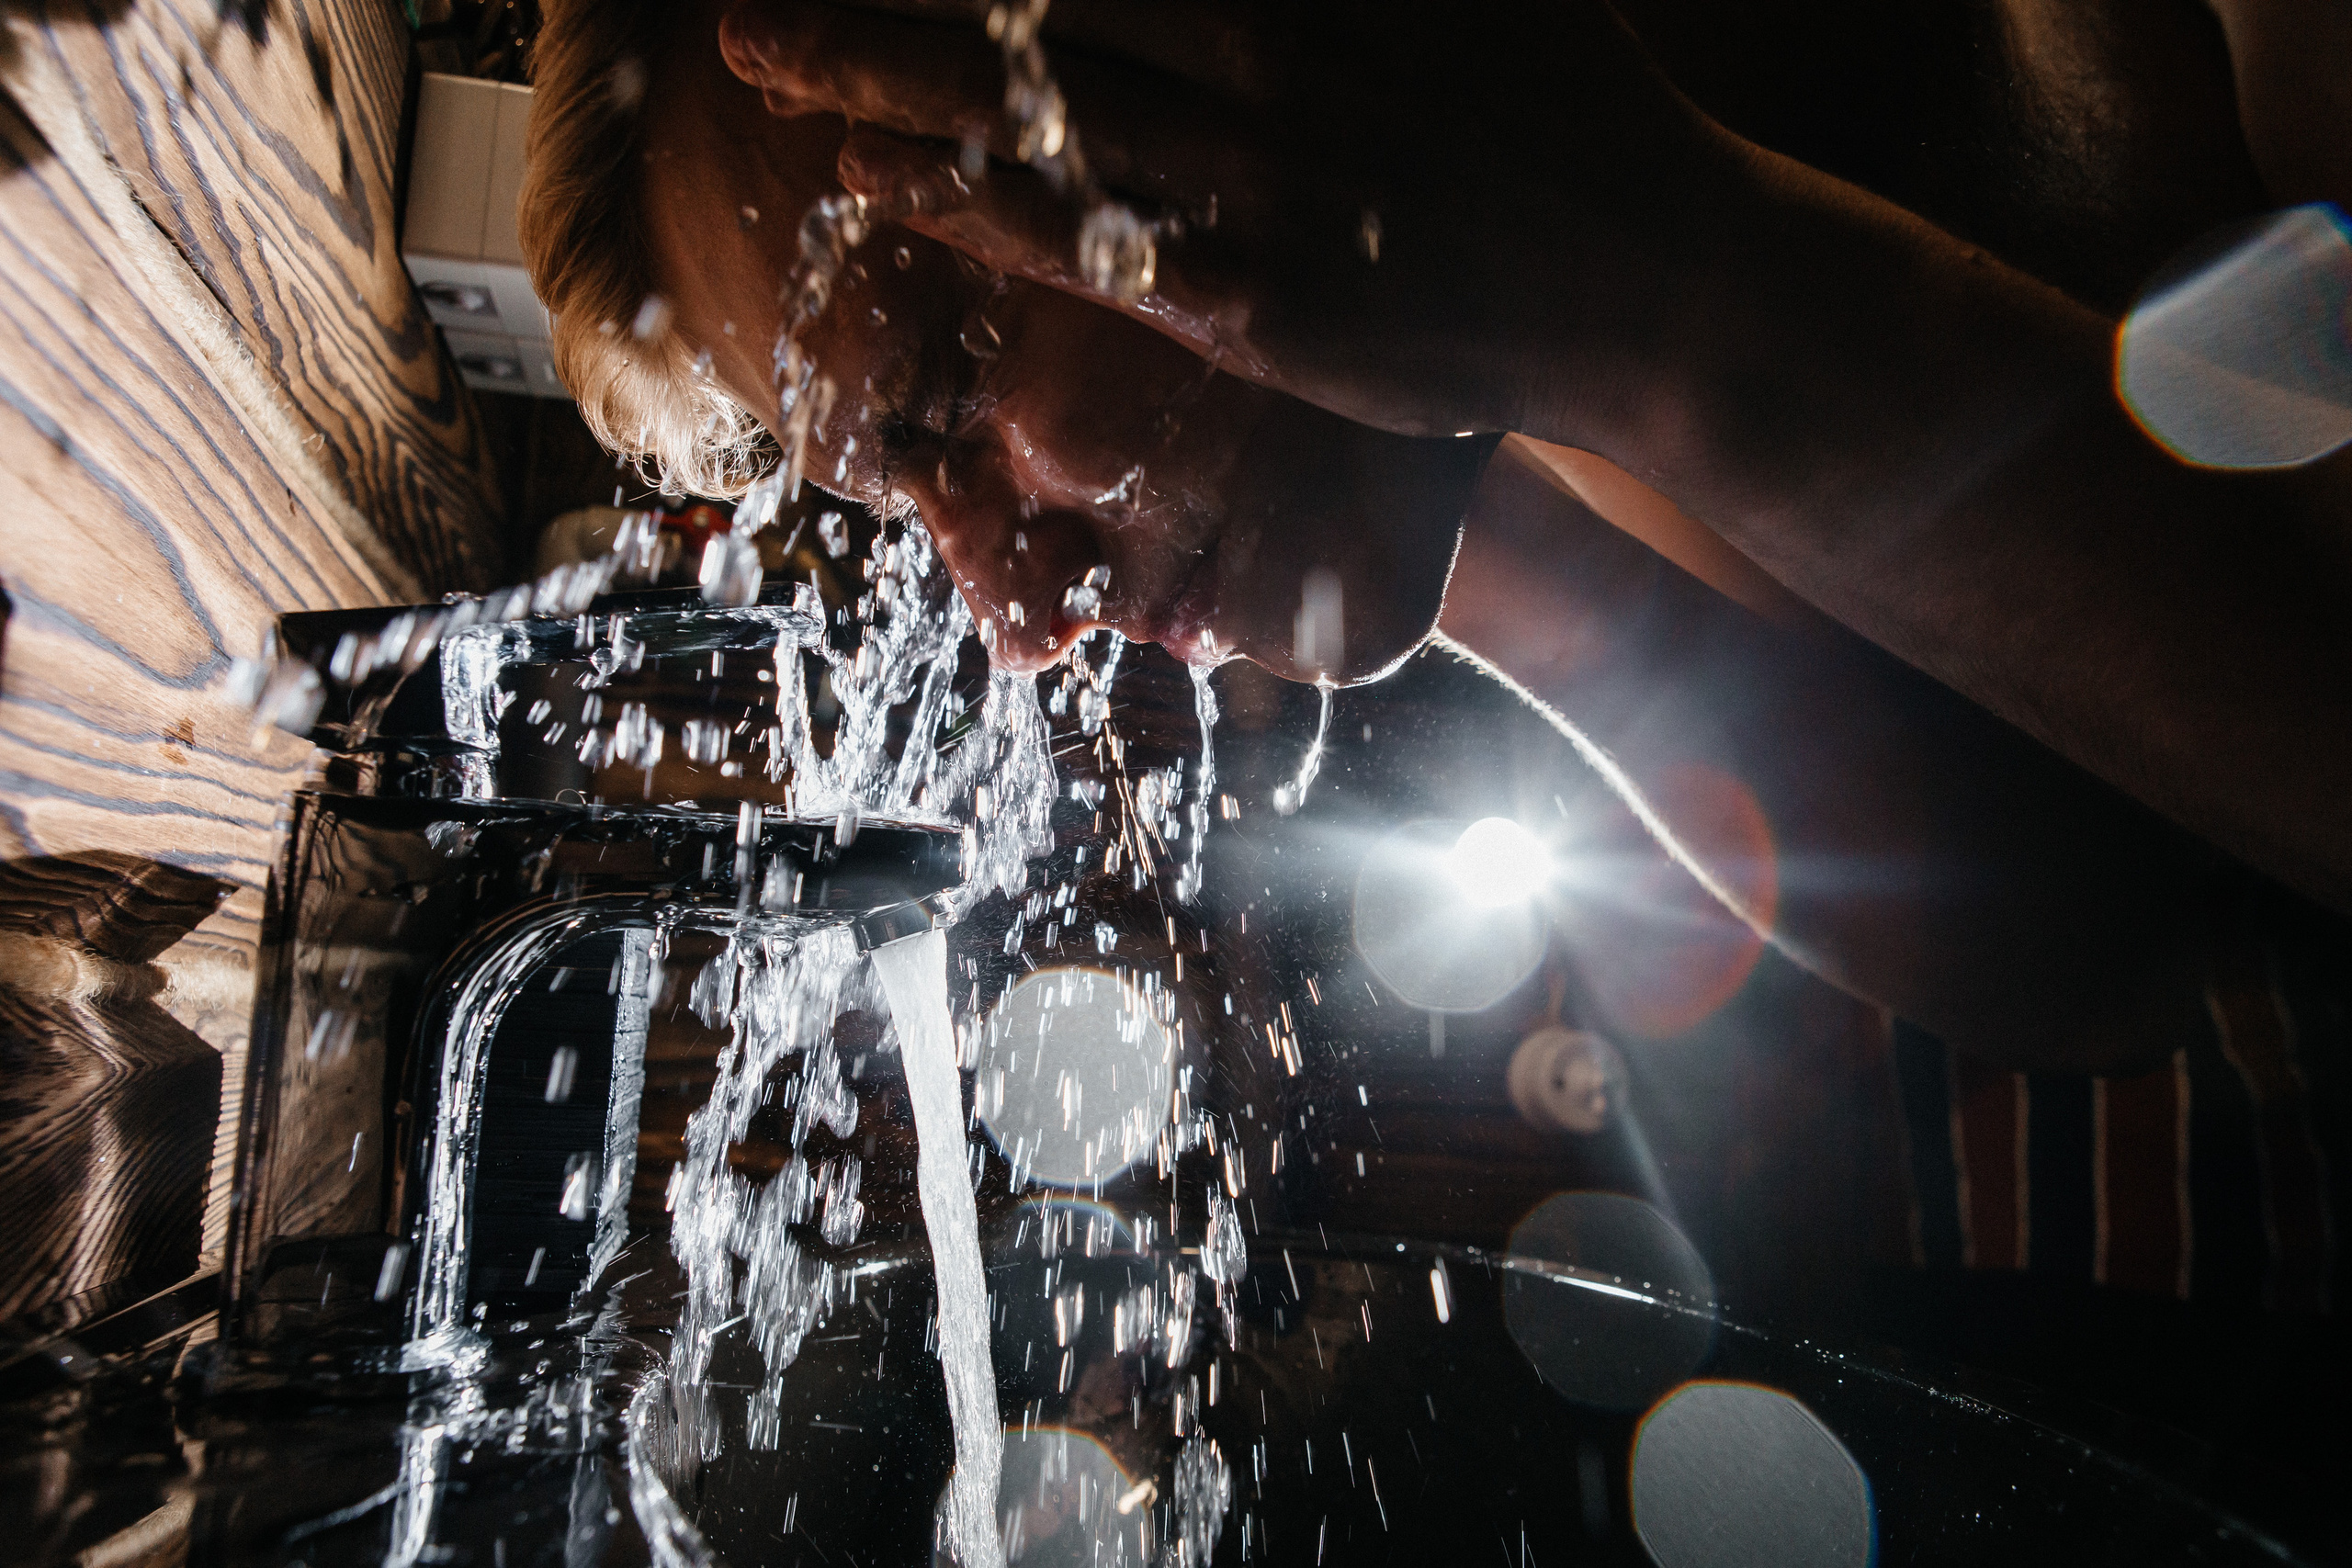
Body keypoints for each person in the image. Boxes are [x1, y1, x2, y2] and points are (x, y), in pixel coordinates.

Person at [516, 0, 2349, 1071]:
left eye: (944, 398)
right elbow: (2097, 922)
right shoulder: (1563, 323)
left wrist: (1652, 304)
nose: (1011, 614)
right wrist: (1458, 458)